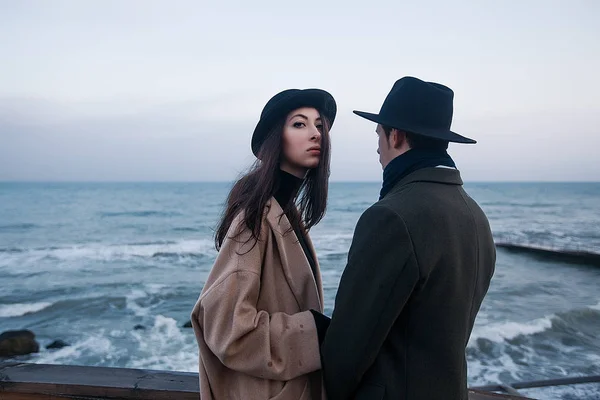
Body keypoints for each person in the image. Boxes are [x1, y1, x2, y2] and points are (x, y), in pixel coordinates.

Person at [319, 77, 496, 400]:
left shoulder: (392, 216)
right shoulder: (475, 216)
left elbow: (347, 350)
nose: (377, 147)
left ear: (396, 135)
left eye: (379, 135)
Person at [190, 88, 337, 400]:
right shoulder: (255, 218)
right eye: (299, 124)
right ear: (275, 139)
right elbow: (227, 329)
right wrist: (314, 332)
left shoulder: (286, 212)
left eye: (319, 125)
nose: (315, 134)